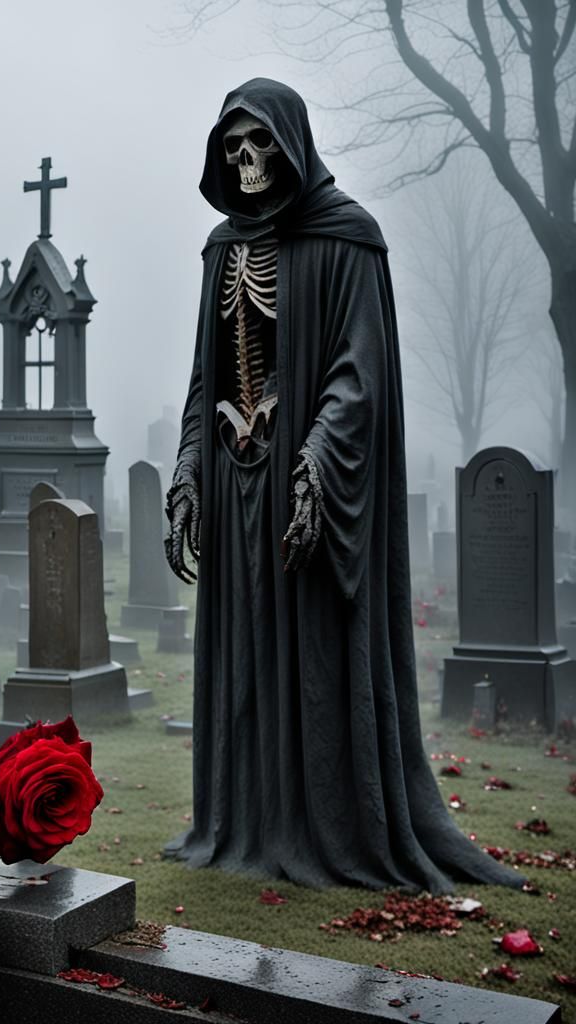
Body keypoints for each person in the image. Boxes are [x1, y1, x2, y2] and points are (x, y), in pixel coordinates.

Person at [163, 78, 522, 892]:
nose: (246, 160)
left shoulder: (348, 236)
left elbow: (357, 375)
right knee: (245, 652)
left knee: (312, 651)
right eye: (232, 147)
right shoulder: (222, 248)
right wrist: (188, 467)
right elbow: (202, 374)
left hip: (303, 488)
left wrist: (318, 460)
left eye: (259, 144)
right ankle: (243, 823)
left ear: (292, 144)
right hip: (232, 480)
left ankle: (324, 821)